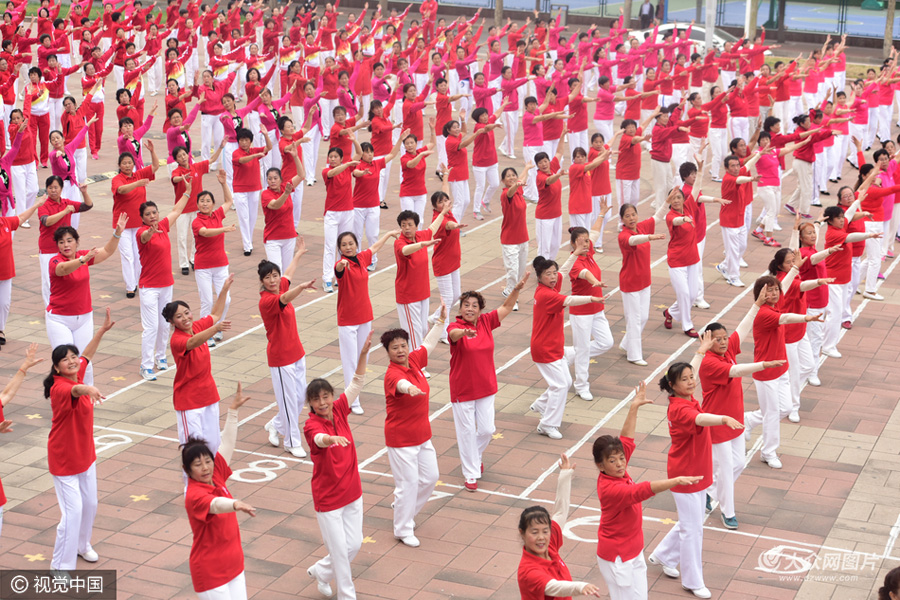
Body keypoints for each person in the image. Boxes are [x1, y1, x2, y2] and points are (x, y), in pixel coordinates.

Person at [593, 382, 702, 600]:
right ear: (600, 466)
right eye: (612, 460)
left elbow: (626, 439)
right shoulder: (610, 489)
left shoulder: (617, 471)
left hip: (633, 552)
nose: (620, 463)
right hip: (617, 558)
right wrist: (675, 480)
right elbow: (642, 491)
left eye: (621, 458)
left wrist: (634, 407)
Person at [649, 361, 743, 600]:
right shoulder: (680, 409)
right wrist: (722, 419)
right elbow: (700, 420)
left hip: (697, 473)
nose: (691, 381)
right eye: (685, 379)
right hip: (685, 476)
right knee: (693, 529)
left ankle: (664, 555)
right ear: (672, 385)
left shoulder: (686, 399)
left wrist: (700, 352)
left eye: (692, 377)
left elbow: (698, 412)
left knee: (691, 521)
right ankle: (692, 581)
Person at [693, 304, 785, 530]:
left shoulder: (728, 352)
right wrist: (763, 365)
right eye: (717, 339)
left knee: (739, 464)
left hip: (736, 421)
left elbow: (743, 329)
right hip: (717, 422)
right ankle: (728, 512)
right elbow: (735, 371)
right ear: (707, 342)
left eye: (724, 338)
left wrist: (755, 304)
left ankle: (708, 491)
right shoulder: (709, 362)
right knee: (726, 467)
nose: (723, 342)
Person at [304, 334, 372, 600]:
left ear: (332, 396)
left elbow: (357, 383)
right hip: (328, 499)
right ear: (310, 403)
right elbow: (318, 439)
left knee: (352, 545)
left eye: (325, 397)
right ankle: (347, 595)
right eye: (316, 399)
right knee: (341, 552)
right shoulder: (311, 424)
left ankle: (321, 571)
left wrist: (364, 354)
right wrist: (330, 438)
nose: (322, 403)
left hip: (352, 491)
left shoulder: (341, 409)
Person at [46, 308, 114, 571]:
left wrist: (101, 331)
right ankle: (60, 567)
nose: (72, 361)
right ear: (56, 368)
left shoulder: (78, 370)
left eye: (72, 357)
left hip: (85, 456)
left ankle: (82, 545)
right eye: (66, 359)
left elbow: (87, 355)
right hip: (64, 461)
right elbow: (76, 390)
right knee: (71, 513)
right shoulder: (60, 387)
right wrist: (89, 389)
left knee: (91, 504)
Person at [448, 276, 528, 491]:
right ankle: (471, 473)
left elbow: (507, 306)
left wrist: (517, 289)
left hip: (486, 387)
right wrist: (463, 332)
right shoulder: (455, 326)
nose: (470, 309)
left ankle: (475, 456)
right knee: (465, 433)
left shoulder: (486, 322)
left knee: (486, 430)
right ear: (461, 308)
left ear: (480, 310)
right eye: (466, 305)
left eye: (474, 306)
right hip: (462, 390)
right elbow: (454, 336)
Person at [183, 383, 257, 600]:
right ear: (187, 470)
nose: (205, 467)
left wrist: (233, 412)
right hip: (210, 573)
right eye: (198, 464)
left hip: (234, 565)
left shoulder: (215, 475)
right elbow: (215, 505)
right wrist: (235, 504)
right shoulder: (194, 495)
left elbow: (227, 445)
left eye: (207, 461)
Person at [381, 307, 447, 548]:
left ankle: (405, 510)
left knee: (431, 478)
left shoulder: (415, 361)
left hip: (422, 435)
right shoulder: (392, 374)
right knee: (407, 484)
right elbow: (398, 384)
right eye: (394, 348)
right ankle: (402, 528)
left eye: (402, 345)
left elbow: (428, 344)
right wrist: (408, 388)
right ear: (388, 352)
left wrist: (440, 321)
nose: (400, 350)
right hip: (401, 440)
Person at [743, 275, 824, 469]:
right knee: (772, 413)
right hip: (766, 372)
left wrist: (794, 269)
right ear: (759, 294)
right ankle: (768, 452)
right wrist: (807, 318)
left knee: (785, 409)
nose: (773, 293)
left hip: (781, 368)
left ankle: (749, 419)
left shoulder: (775, 305)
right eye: (768, 290)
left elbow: (785, 287)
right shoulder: (764, 313)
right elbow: (785, 318)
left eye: (775, 290)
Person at [530, 253, 604, 440]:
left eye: (553, 273)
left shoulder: (551, 286)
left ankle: (541, 404)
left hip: (555, 347)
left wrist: (575, 254)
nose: (554, 277)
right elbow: (569, 301)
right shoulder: (546, 294)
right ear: (539, 277)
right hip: (545, 349)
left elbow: (564, 270)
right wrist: (591, 299)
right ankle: (547, 424)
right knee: (561, 385)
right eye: (548, 274)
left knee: (565, 383)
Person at [47, 219, 127, 387]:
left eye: (69, 241)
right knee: (65, 363)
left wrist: (117, 233)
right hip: (59, 320)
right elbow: (63, 269)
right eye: (61, 242)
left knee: (85, 362)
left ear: (77, 242)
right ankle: (64, 395)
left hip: (84, 318)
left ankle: (87, 398)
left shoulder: (82, 255)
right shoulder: (55, 261)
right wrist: (83, 260)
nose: (66, 245)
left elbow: (106, 251)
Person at [258, 243, 317, 459]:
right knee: (288, 400)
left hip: (297, 353)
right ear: (262, 282)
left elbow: (288, 274)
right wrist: (301, 288)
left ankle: (275, 424)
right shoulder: (267, 301)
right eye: (268, 278)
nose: (273, 280)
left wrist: (299, 254)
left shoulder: (280, 286)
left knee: (300, 398)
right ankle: (291, 442)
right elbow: (284, 299)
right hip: (281, 359)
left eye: (275, 276)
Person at [164, 276, 234, 456]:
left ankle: (212, 483)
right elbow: (193, 342)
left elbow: (216, 314)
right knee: (193, 451)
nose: (185, 318)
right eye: (179, 317)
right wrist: (215, 329)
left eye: (187, 312)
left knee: (213, 446)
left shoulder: (196, 326)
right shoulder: (177, 340)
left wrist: (224, 289)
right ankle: (192, 485)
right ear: (172, 323)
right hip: (189, 403)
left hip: (209, 397)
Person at [516, 453, 603, 598]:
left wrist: (565, 476)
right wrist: (580, 586)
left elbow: (560, 512)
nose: (541, 537)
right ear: (522, 533)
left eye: (545, 531)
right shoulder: (528, 571)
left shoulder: (549, 546)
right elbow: (554, 587)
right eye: (534, 532)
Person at [136, 186, 191, 381]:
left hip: (166, 284)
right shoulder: (142, 233)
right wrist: (150, 232)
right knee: (150, 327)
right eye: (148, 214)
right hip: (149, 287)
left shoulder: (164, 226)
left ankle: (161, 358)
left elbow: (176, 210)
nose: (152, 216)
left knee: (164, 324)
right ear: (142, 218)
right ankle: (146, 365)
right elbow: (144, 237)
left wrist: (187, 192)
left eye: (154, 212)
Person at [564, 212, 614, 401]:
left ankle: (570, 352)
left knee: (606, 342)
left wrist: (601, 213)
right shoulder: (575, 262)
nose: (586, 244)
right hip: (582, 312)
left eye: (586, 241)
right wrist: (596, 282)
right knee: (583, 350)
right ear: (573, 244)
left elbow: (594, 232)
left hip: (597, 309)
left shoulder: (589, 251)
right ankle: (581, 385)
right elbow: (585, 274)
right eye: (581, 242)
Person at [822, 204, 880, 356]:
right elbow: (850, 237)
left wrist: (859, 201)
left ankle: (824, 339)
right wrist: (868, 235)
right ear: (830, 221)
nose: (842, 220)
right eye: (838, 218)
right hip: (833, 280)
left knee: (837, 311)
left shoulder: (840, 226)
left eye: (842, 218)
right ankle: (828, 346)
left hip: (842, 279)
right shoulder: (833, 234)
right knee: (835, 313)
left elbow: (849, 214)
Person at [617, 202, 668, 366]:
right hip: (630, 283)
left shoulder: (642, 227)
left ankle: (626, 343)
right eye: (627, 216)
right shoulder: (623, 235)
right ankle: (634, 355)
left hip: (645, 281)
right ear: (622, 219)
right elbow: (632, 241)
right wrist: (649, 237)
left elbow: (658, 217)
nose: (631, 218)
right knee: (634, 319)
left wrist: (667, 200)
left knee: (643, 317)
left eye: (633, 214)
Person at [394, 204, 449, 352]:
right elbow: (405, 251)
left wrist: (443, 212)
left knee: (424, 329)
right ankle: (416, 365)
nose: (406, 228)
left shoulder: (420, 235)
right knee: (414, 332)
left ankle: (418, 362)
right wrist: (422, 244)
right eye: (403, 225)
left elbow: (433, 228)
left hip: (423, 293)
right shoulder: (400, 243)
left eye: (410, 225)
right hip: (408, 296)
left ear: (416, 226)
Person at [111, 141, 161, 298]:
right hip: (122, 225)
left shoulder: (139, 174)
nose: (127, 165)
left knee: (139, 255)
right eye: (124, 163)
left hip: (139, 224)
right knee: (127, 256)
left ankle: (140, 282)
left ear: (134, 163)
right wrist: (137, 183)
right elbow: (121, 190)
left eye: (130, 163)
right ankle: (130, 286)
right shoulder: (117, 179)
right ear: (119, 165)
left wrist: (152, 152)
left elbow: (155, 167)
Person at [192, 171, 235, 346]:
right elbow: (205, 233)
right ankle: (205, 333)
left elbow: (229, 201)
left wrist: (224, 183)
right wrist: (223, 229)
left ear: (212, 203)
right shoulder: (197, 221)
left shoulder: (217, 214)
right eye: (202, 201)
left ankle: (217, 326)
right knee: (207, 301)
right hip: (203, 267)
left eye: (208, 201)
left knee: (227, 299)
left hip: (221, 265)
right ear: (197, 204)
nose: (205, 203)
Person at [322, 147, 360, 293]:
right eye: (330, 156)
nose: (332, 159)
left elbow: (359, 153)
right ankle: (327, 278)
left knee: (344, 246)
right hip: (332, 214)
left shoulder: (347, 168)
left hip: (347, 212)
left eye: (335, 157)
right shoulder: (327, 172)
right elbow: (333, 172)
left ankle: (341, 275)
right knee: (330, 246)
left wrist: (354, 139)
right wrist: (346, 164)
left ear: (340, 158)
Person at [261, 146, 304, 270]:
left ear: (281, 179)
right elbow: (275, 205)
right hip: (273, 239)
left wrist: (296, 157)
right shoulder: (266, 194)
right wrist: (286, 194)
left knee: (286, 272)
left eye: (275, 178)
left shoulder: (286, 186)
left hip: (289, 236)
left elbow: (301, 175)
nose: (272, 181)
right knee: (276, 271)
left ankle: (285, 290)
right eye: (269, 179)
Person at [232, 127, 273, 256]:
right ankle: (247, 245)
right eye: (241, 140)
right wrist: (254, 155)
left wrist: (266, 135)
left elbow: (269, 148)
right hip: (240, 190)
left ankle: (248, 240)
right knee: (243, 217)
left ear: (251, 141)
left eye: (246, 140)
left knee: (252, 217)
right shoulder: (236, 153)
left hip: (255, 188)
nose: (244, 143)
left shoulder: (255, 150)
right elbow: (242, 160)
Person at [500, 165, 533, 308]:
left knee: (520, 271)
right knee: (512, 270)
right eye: (508, 176)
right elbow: (511, 192)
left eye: (513, 175)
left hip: (523, 238)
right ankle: (512, 298)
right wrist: (517, 183)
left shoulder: (518, 189)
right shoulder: (506, 194)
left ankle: (510, 290)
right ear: (503, 181)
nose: (512, 178)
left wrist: (526, 168)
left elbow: (521, 179)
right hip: (509, 240)